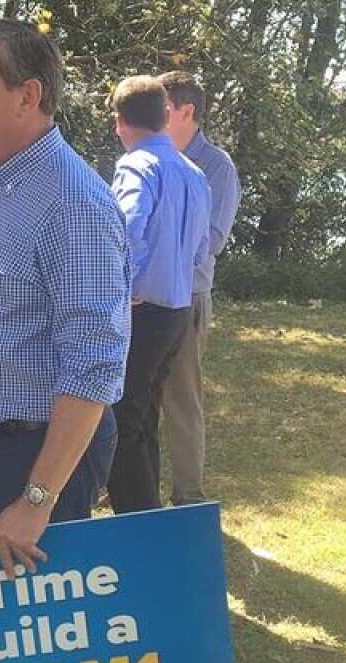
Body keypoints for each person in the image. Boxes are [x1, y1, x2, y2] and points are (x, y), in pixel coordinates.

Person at [0, 20, 130, 574]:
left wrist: (35, 501)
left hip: (36, 462)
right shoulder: (5, 184)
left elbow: (94, 367)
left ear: (27, 96)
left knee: (30, 649)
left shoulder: (71, 204)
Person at [105, 75, 212, 513]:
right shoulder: (194, 171)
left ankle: (136, 520)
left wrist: (123, 286)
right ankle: (147, 512)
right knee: (145, 413)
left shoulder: (136, 165)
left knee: (120, 418)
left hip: (143, 308)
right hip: (178, 308)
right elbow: (203, 247)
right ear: (165, 116)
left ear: (119, 122)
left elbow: (126, 229)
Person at [156, 70, 241, 506]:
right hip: (144, 300)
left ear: (186, 112)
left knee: (182, 401)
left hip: (188, 299)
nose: (155, 115)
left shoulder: (216, 167)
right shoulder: (149, 159)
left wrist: (154, 240)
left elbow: (212, 239)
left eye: (163, 107)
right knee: (135, 401)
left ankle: (188, 498)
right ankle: (136, 500)